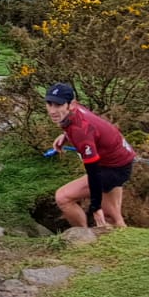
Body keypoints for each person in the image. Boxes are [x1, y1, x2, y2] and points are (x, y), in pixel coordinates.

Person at [45, 83, 134, 229]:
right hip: (120, 159)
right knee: (113, 218)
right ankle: (123, 242)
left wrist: (95, 206)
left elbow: (93, 172)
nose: (52, 111)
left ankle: (84, 238)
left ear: (71, 104)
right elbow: (86, 128)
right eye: (49, 104)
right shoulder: (75, 112)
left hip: (112, 168)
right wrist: (65, 136)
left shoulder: (81, 131)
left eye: (58, 105)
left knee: (63, 198)